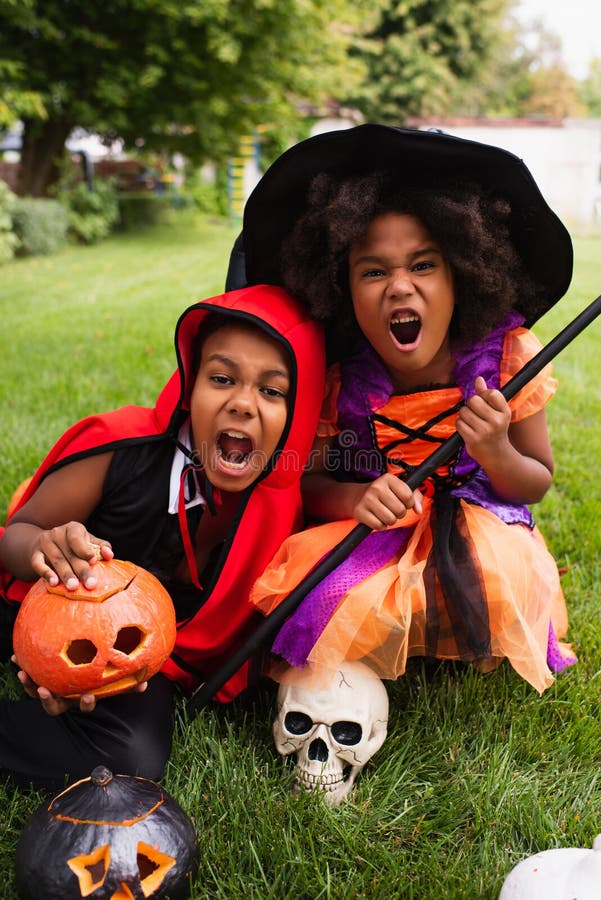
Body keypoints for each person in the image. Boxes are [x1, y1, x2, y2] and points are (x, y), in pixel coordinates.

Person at [233, 124, 577, 694]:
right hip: (376, 530)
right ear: (340, 287)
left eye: (423, 266)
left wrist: (494, 450)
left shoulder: (508, 361)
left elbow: (535, 482)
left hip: (482, 526)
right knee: (316, 597)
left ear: (462, 275)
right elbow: (306, 479)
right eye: (374, 271)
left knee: (497, 579)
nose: (399, 287)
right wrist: (354, 496)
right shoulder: (339, 383)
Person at [0, 283, 325, 788]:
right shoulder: (120, 448)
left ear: (296, 417)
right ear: (189, 386)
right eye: (221, 378)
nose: (242, 403)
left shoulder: (275, 511)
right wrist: (43, 548)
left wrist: (90, 680)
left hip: (137, 663)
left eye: (272, 390)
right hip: (31, 603)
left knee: (134, 757)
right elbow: (14, 536)